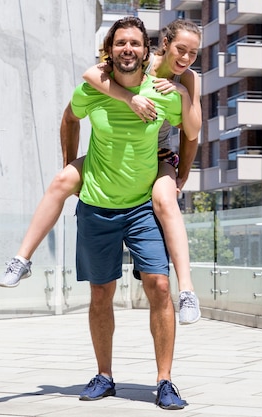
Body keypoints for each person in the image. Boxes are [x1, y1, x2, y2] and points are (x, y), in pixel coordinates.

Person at [0, 19, 202, 326]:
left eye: (193, 53)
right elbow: (90, 76)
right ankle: (22, 259)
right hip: (112, 151)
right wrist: (129, 98)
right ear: (163, 45)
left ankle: (186, 289)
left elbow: (192, 133)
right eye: (180, 49)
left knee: (164, 199)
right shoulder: (139, 61)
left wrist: (182, 170)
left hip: (158, 152)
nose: (185, 58)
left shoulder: (186, 81)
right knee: (63, 179)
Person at [59, 16, 187, 408]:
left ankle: (165, 381)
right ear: (110, 51)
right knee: (101, 293)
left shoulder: (163, 92)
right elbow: (69, 119)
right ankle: (104, 375)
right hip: (98, 206)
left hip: (143, 206)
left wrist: (180, 175)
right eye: (120, 44)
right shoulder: (92, 89)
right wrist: (70, 166)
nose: (127, 49)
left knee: (161, 287)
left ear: (147, 52)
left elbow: (193, 126)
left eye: (135, 43)